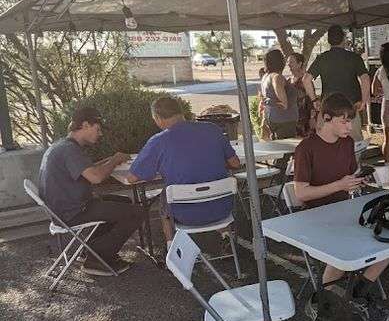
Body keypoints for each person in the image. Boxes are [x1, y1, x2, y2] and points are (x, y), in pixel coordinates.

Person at [293, 93, 389, 321]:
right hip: (315, 216)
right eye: (344, 121)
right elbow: (301, 193)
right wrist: (339, 185)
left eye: (350, 121)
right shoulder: (306, 148)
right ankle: (319, 303)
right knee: (341, 255)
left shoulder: (347, 143)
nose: (349, 126)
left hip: (345, 209)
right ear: (327, 118)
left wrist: (359, 180)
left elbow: (350, 175)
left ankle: (358, 293)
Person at [38, 103, 144, 275]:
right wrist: (115, 160)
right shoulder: (69, 150)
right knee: (137, 212)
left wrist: (110, 159)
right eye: (98, 129)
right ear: (86, 125)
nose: (100, 134)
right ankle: (98, 259)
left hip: (64, 210)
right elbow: (96, 177)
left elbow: (88, 169)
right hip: (73, 212)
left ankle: (91, 251)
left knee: (123, 202)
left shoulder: (63, 146)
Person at [127, 95, 241, 242]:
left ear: (158, 118)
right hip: (222, 209)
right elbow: (235, 163)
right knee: (214, 185)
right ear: (181, 112)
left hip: (184, 213)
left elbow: (132, 178)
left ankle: (172, 245)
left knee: (166, 196)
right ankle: (226, 237)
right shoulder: (212, 129)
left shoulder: (158, 141)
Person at [307, 24, 370, 143]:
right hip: (350, 109)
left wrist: (314, 100)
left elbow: (306, 79)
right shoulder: (354, 58)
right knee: (353, 144)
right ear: (343, 39)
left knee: (326, 145)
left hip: (328, 109)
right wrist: (363, 101)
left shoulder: (322, 58)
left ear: (329, 40)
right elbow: (365, 79)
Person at [260, 48, 298, 140]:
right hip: (284, 121)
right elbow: (284, 103)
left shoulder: (266, 76)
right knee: (286, 147)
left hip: (272, 117)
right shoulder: (277, 77)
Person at [286, 51, 317, 137]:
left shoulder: (305, 81)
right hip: (292, 118)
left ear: (299, 64)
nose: (289, 64)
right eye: (288, 62)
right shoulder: (288, 81)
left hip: (304, 118)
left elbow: (312, 100)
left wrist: (312, 118)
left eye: (291, 62)